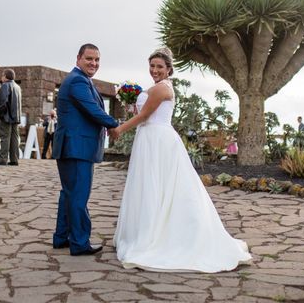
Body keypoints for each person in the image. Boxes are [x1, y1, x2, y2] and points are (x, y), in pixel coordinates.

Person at [109, 48, 251, 272]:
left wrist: (119, 130)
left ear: (168, 70)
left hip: (158, 140)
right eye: (152, 65)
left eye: (159, 67)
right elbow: (141, 112)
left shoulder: (162, 88)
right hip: (148, 138)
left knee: (163, 186)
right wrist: (128, 103)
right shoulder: (156, 88)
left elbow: (145, 116)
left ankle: (158, 237)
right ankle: (144, 230)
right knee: (150, 185)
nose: (155, 70)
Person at [52, 44, 119, 256]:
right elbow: (92, 109)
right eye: (89, 59)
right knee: (78, 196)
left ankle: (61, 237)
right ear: (78, 58)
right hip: (77, 148)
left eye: (97, 60)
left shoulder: (79, 80)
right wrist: (114, 124)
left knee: (69, 194)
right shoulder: (78, 81)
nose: (94, 63)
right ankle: (80, 242)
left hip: (72, 147)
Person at [0, 69, 22, 166]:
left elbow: (3, 103)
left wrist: (1, 115)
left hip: (6, 117)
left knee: (5, 137)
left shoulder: (5, 86)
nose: (1, 77)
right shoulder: (18, 87)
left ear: (5, 76)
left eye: (2, 75)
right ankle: (14, 159)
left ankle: (2, 159)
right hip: (16, 117)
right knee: (14, 138)